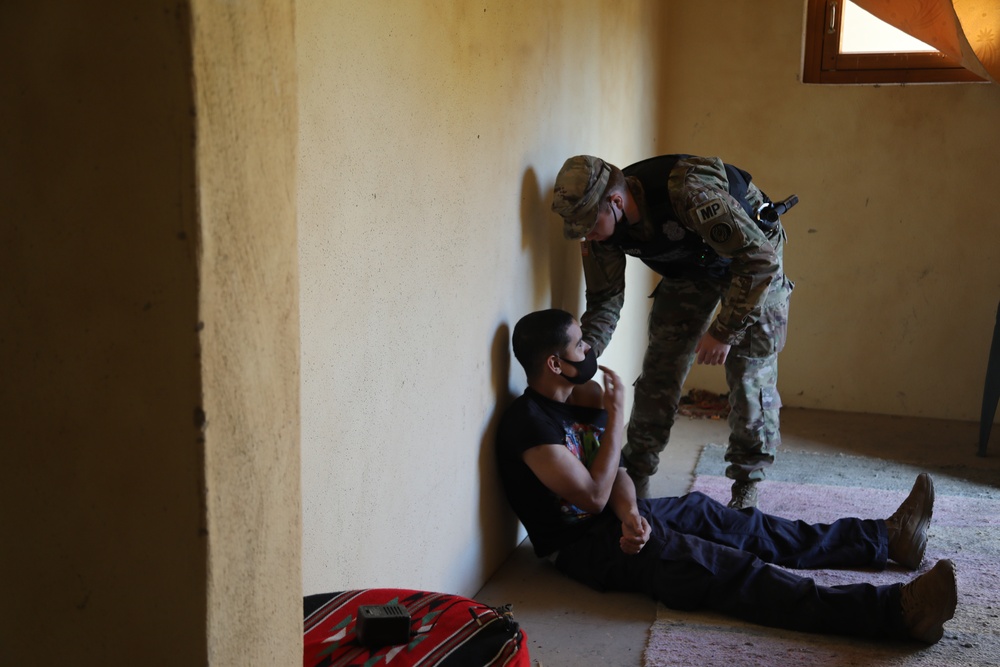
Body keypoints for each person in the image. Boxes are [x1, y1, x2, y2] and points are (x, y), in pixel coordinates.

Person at [495, 309, 958, 643]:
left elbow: (611, 474)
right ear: (555, 363)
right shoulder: (531, 428)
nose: (590, 347)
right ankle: (893, 613)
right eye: (580, 343)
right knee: (726, 568)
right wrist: (618, 419)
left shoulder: (583, 396)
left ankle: (883, 539)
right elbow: (592, 499)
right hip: (581, 548)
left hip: (616, 522)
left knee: (732, 522)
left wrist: (632, 511)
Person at [550, 154, 795, 508]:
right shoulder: (603, 228)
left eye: (588, 223)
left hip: (754, 262)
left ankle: (746, 485)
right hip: (692, 268)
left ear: (615, 202)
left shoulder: (689, 194)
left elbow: (759, 262)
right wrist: (585, 354)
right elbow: (605, 299)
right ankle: (636, 471)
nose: (586, 234)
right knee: (660, 370)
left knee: (749, 374)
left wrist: (724, 331)